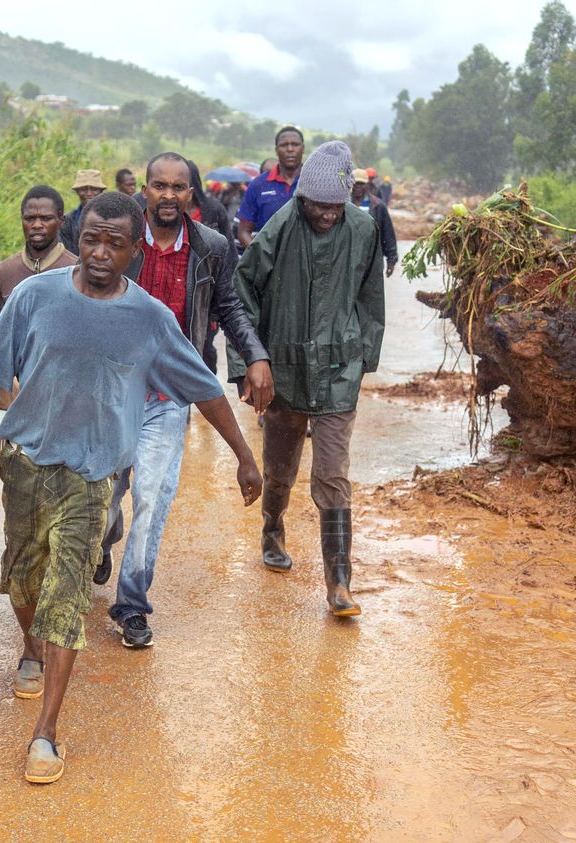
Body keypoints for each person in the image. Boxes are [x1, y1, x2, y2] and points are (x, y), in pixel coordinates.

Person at [0, 191, 262, 784]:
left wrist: (244, 455)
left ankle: (45, 732)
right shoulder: (33, 296)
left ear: (134, 251)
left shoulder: (150, 318)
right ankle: (32, 646)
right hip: (25, 462)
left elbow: (202, 387)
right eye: (92, 239)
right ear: (80, 239)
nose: (101, 253)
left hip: (95, 474)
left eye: (115, 244)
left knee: (68, 595)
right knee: (23, 581)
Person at [97, 152, 273, 649]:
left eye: (179, 187)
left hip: (168, 396)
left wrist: (254, 355)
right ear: (144, 192)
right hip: (111, 390)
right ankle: (102, 541)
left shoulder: (211, 246)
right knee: (104, 501)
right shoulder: (122, 238)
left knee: (151, 499)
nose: (168, 195)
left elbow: (230, 307)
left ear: (192, 195)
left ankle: (131, 605)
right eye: (159, 186)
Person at [228, 140, 385, 617]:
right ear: (301, 199)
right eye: (316, 205)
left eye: (334, 206)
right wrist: (248, 364)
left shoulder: (363, 228)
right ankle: (272, 528)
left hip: (339, 371)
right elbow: (241, 290)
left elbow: (370, 298)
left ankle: (339, 582)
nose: (325, 215)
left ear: (347, 200)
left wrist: (363, 361)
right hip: (285, 371)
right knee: (280, 469)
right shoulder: (281, 226)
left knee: (333, 474)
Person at [0, 185, 77, 319]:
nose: (36, 225)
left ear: (61, 222)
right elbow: (0, 331)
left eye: (46, 218)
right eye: (29, 219)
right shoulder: (3, 273)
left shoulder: (77, 272)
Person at [237, 126, 305, 248]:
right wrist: (261, 258)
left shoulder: (315, 182)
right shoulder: (258, 185)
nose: (290, 149)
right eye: (284, 145)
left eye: (295, 144)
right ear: (276, 150)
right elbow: (243, 232)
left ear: (303, 148)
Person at [351, 167, 398, 278]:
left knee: (370, 292)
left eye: (361, 184)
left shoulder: (378, 206)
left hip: (371, 259)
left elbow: (387, 233)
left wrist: (391, 259)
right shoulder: (341, 205)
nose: (358, 187)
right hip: (347, 259)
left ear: (368, 185)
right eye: (355, 183)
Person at [58, 169, 106, 253]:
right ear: (77, 192)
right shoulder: (68, 221)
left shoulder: (112, 218)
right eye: (83, 189)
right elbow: (66, 251)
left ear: (101, 191)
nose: (89, 193)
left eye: (94, 189)